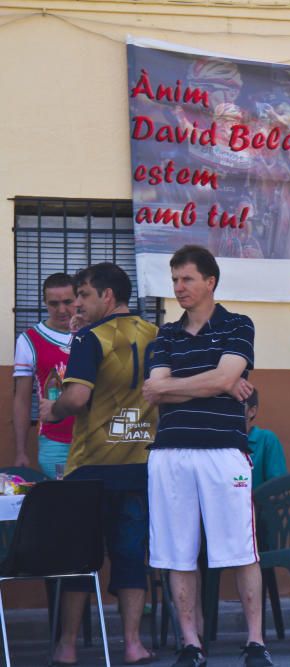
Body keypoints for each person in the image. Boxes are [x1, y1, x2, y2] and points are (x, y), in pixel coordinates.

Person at [142, 245, 271, 667]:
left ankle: (255, 643)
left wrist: (213, 381)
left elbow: (221, 377)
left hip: (224, 453)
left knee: (242, 550)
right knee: (177, 553)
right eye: (175, 279)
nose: (178, 287)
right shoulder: (164, 335)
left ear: (210, 281)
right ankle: (190, 644)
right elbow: (151, 389)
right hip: (171, 454)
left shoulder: (238, 324)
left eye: (187, 279)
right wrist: (216, 381)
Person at [38, 263, 158, 666]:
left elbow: (74, 399)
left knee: (80, 559)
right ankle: (133, 645)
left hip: (90, 468)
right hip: (140, 465)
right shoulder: (154, 335)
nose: (79, 304)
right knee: (130, 557)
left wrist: (50, 410)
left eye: (85, 295)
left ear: (107, 296)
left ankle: (68, 646)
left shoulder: (90, 338)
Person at [12, 272, 76, 478]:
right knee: (62, 501)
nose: (62, 310)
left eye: (68, 302)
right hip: (54, 442)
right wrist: (21, 451)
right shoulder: (29, 340)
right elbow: (21, 399)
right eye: (54, 303)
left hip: (95, 440)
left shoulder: (94, 334)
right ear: (45, 303)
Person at [245, 389, 288, 489]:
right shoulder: (220, 441)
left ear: (252, 411)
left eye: (237, 404)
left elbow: (279, 488)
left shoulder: (266, 440)